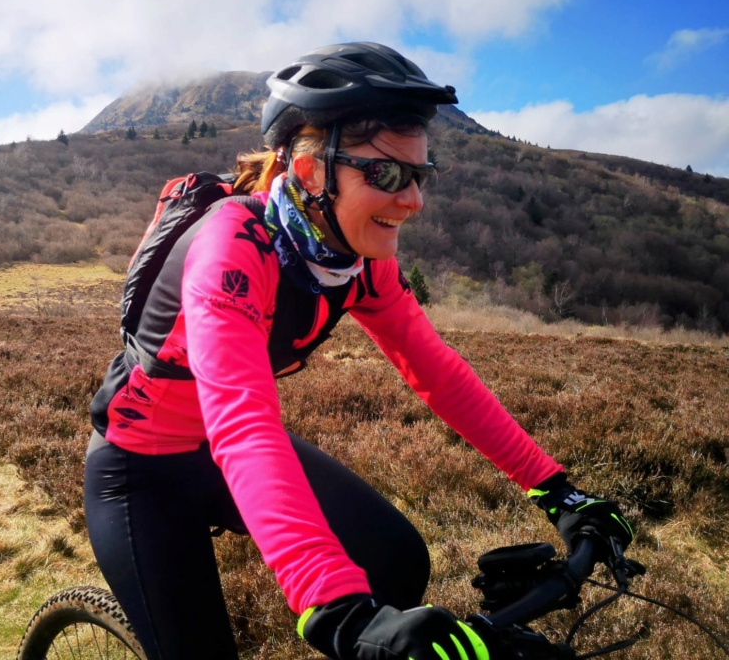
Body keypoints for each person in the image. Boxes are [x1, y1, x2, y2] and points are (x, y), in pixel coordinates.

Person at [83, 42, 634, 660]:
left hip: (217, 451)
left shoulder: (355, 263)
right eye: (387, 174)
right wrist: (333, 607)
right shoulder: (233, 246)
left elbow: (439, 374)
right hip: (142, 471)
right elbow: (242, 421)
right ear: (312, 170)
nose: (413, 201)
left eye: (419, 176)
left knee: (396, 565)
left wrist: (556, 489)